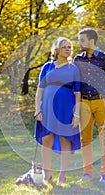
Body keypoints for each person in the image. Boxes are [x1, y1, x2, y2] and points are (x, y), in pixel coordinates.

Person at [73, 28, 105, 183]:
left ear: (91, 41)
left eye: (82, 40)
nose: (79, 43)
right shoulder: (77, 59)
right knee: (85, 139)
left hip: (102, 101)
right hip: (84, 104)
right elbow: (74, 83)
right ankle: (87, 173)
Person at [34, 37, 81, 183]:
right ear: (57, 50)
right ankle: (47, 174)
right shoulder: (47, 67)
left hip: (66, 107)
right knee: (46, 139)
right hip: (47, 108)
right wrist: (37, 110)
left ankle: (62, 175)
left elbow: (78, 94)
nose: (68, 49)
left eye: (69, 47)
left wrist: (77, 114)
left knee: (65, 140)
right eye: (64, 47)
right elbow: (39, 90)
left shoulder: (73, 69)